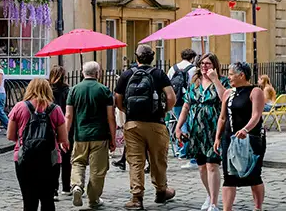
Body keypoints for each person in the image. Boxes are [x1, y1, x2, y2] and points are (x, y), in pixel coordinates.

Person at [114, 45, 176, 210]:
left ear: (136, 57)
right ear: (152, 57)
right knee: (158, 159)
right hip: (156, 123)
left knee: (135, 161)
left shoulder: (127, 74)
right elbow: (171, 97)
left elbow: (118, 99)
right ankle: (161, 191)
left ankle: (136, 197)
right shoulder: (159, 74)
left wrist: (127, 111)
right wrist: (163, 111)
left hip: (133, 124)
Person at [174, 53, 229, 211]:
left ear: (215, 65)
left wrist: (215, 80)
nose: (205, 66)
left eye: (208, 63)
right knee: (201, 167)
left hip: (214, 129)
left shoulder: (222, 81)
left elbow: (224, 98)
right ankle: (209, 194)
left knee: (212, 165)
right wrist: (179, 127)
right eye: (202, 63)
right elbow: (186, 106)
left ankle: (214, 203)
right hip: (196, 129)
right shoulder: (195, 83)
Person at [7, 78, 69, 211]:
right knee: (47, 199)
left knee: (29, 200)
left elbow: (10, 136)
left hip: (24, 157)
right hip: (50, 159)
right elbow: (63, 138)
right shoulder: (55, 109)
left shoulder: (19, 107)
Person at [215, 62, 266, 211]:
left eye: (231, 74)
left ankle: (258, 207)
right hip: (229, 138)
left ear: (241, 75)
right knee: (229, 176)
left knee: (253, 175)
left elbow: (256, 115)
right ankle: (227, 209)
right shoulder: (228, 93)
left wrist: (246, 129)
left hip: (251, 139)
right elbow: (222, 118)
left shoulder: (255, 91)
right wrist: (218, 137)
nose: (229, 77)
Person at [65, 61, 115, 209]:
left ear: (82, 72)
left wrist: (64, 136)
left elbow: (68, 116)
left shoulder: (74, 90)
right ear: (98, 73)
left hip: (80, 135)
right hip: (100, 136)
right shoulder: (104, 90)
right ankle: (93, 199)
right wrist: (113, 138)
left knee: (78, 163)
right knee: (97, 170)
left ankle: (76, 186)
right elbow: (110, 117)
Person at [167, 49, 198, 169]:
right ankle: (185, 150)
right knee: (188, 124)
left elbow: (168, 83)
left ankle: (181, 149)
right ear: (192, 58)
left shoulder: (173, 68)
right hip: (188, 99)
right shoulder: (193, 69)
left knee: (181, 122)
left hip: (176, 99)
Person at [49, 66, 71, 198]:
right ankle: (66, 187)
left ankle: (54, 189)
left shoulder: (48, 92)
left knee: (54, 159)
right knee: (66, 158)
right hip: (66, 125)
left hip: (51, 126)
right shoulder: (68, 91)